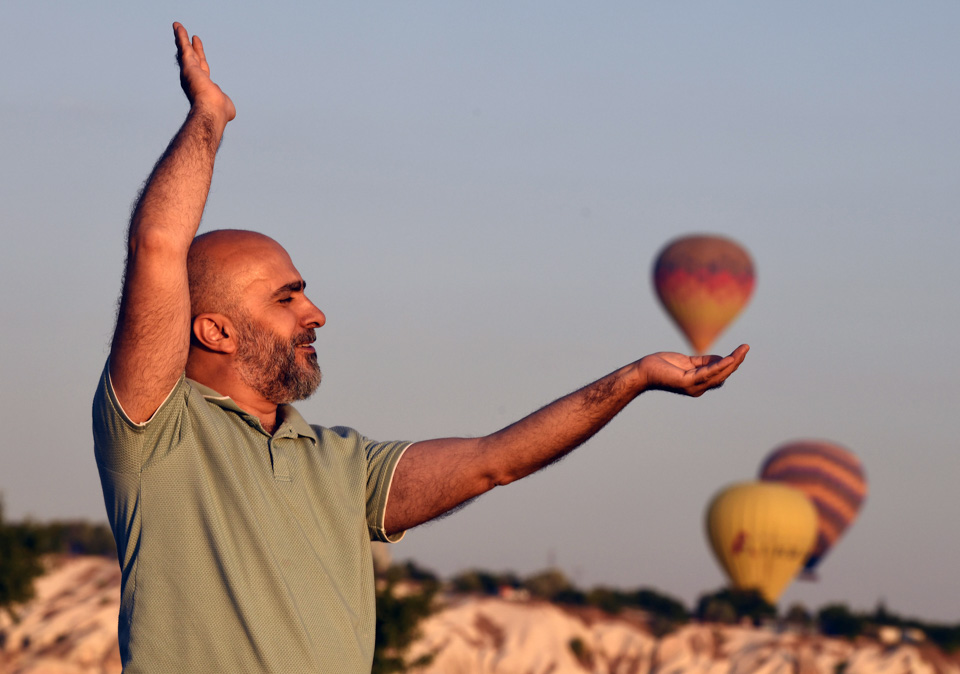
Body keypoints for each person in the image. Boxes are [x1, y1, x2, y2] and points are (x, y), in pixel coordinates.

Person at [92, 22, 749, 674]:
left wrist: (633, 378)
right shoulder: (156, 432)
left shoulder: (343, 465)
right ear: (215, 331)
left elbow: (496, 461)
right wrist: (209, 118)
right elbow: (158, 247)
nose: (315, 313)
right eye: (286, 298)